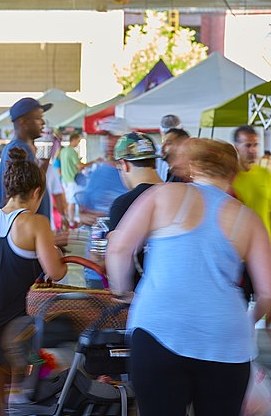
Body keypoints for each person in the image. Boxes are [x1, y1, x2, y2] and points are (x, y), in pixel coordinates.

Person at [107, 138, 271, 416]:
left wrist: (124, 291)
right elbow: (267, 293)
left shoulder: (163, 195)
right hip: (226, 339)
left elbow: (120, 248)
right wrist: (249, 319)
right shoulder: (249, 219)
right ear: (233, 174)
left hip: (160, 327)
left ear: (193, 167)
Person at [0, 147, 67, 416]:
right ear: (36, 192)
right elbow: (55, 273)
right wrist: (58, 254)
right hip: (24, 335)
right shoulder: (36, 223)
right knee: (26, 397)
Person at [107, 132, 163, 283]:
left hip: (140, 296)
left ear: (123, 164)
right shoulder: (179, 194)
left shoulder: (123, 204)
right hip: (178, 290)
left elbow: (116, 257)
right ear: (155, 163)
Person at [0, 98, 53, 225]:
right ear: (23, 121)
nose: (43, 122)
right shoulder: (18, 149)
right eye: (38, 118)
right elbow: (21, 196)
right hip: (25, 233)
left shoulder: (23, 149)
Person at [232, 125, 271, 236]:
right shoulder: (229, 177)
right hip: (241, 246)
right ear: (236, 147)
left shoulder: (265, 173)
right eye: (248, 145)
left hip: (266, 242)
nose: (253, 150)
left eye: (255, 145)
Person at [59, 132, 83, 223]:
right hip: (73, 179)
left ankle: (70, 221)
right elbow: (79, 166)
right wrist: (92, 162)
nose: (78, 143)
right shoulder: (72, 151)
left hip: (65, 179)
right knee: (72, 201)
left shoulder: (63, 151)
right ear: (73, 140)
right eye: (78, 141)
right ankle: (71, 222)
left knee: (69, 201)